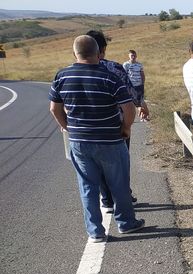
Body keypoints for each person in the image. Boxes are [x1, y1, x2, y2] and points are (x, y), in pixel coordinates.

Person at [49, 35, 145, 242]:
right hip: (110, 139)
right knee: (119, 183)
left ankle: (95, 232)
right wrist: (126, 128)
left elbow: (54, 108)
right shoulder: (110, 77)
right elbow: (128, 108)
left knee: (87, 186)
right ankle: (126, 223)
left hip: (79, 142)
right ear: (98, 53)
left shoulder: (61, 76)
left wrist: (67, 127)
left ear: (74, 53)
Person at [86, 30, 143, 210]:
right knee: (120, 163)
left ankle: (107, 200)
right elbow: (131, 93)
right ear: (103, 48)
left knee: (98, 166)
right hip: (116, 124)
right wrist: (140, 104)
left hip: (87, 127)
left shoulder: (73, 71)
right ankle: (123, 198)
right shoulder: (115, 68)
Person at [123, 49, 146, 119]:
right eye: (132, 55)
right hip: (130, 86)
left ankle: (142, 116)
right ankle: (130, 116)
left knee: (140, 101)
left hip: (139, 85)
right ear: (129, 56)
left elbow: (142, 74)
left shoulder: (139, 65)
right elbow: (124, 75)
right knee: (132, 102)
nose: (133, 57)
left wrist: (143, 83)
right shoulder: (126, 64)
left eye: (134, 55)